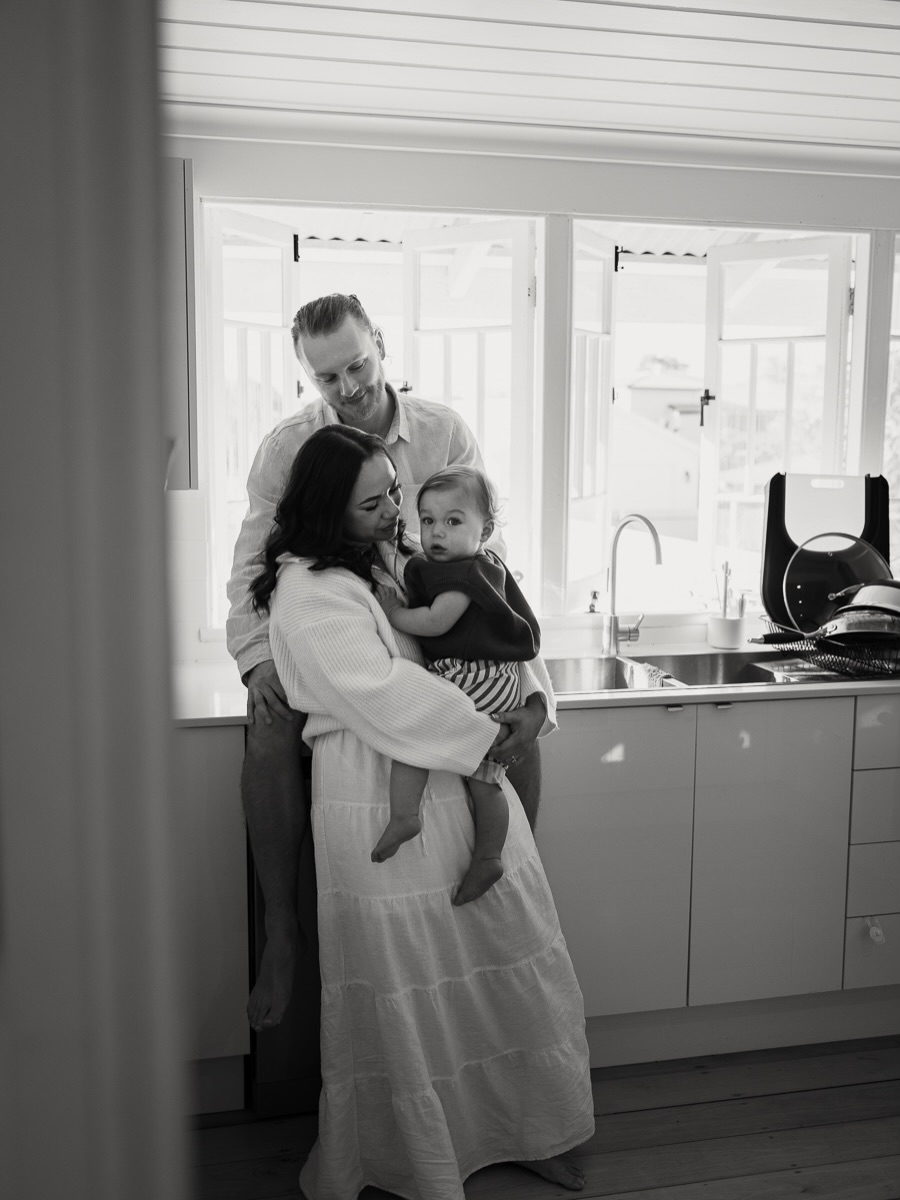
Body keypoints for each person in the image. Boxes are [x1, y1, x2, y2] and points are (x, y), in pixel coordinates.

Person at [249, 424, 594, 1198]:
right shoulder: (308, 592)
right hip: (380, 789)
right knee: (412, 982)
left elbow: (497, 621)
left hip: (463, 769)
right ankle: (416, 1158)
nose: (393, 511)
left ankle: (527, 1128)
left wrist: (533, 705)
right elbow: (382, 691)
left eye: (393, 493)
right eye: (372, 503)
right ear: (325, 510)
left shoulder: (397, 555)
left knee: (499, 956)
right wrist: (487, 736)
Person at [226, 293, 544, 1031]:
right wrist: (257, 660)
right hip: (358, 624)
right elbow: (251, 562)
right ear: (307, 376)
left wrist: (529, 692)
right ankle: (282, 930)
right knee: (267, 729)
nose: (348, 387)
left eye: (357, 365)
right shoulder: (289, 449)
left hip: (446, 613)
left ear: (380, 345)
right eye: (326, 377)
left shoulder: (442, 431)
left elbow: (489, 559)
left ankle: (507, 871)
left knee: (525, 730)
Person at [375, 465, 540, 909]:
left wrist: (393, 613)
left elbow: (436, 621)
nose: (437, 532)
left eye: (453, 521)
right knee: (485, 777)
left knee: (414, 730)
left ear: (483, 532)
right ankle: (488, 857)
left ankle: (405, 814)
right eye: (428, 520)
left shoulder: (465, 574)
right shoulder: (470, 565)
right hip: (493, 679)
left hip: (477, 676)